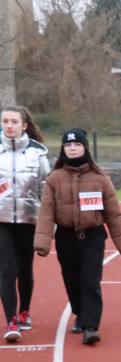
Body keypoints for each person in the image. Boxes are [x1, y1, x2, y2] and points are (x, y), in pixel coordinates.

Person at [33, 127, 121, 346]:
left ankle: (90, 326)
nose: (73, 149)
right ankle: (79, 312)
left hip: (94, 236)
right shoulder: (54, 179)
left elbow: (113, 214)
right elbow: (47, 212)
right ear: (63, 149)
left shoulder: (101, 179)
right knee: (71, 279)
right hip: (66, 237)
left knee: (90, 280)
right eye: (68, 145)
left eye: (77, 145)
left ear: (85, 148)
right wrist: (42, 242)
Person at [1, 105, 49, 342]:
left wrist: (48, 225)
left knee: (24, 270)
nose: (8, 125)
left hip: (29, 221)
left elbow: (45, 191)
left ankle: (24, 311)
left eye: (13, 121)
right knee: (7, 270)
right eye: (5, 121)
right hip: (2, 221)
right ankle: (11, 321)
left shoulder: (37, 154)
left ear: (24, 125)